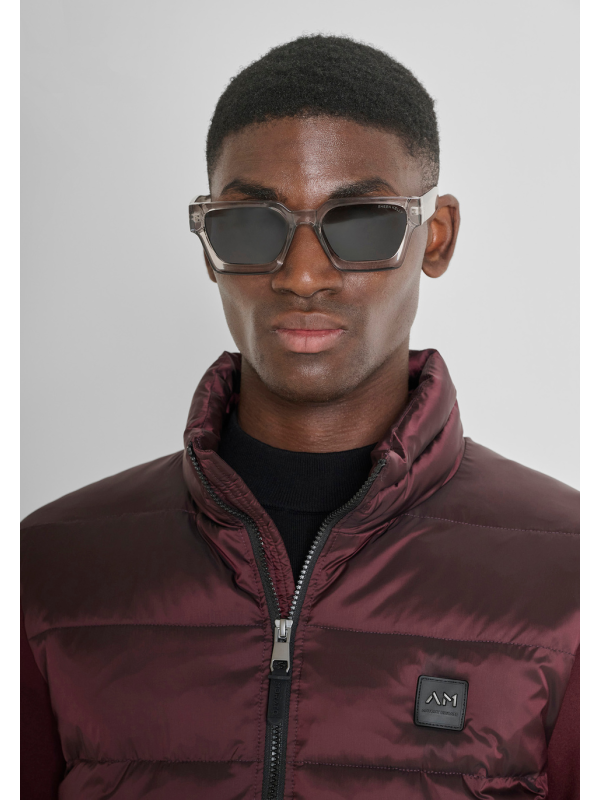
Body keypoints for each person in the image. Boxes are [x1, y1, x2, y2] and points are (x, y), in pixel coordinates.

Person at [20, 35, 579, 800]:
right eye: (252, 224)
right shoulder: (50, 571)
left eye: (361, 222)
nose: (303, 274)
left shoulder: (563, 575)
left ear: (437, 236)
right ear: (207, 244)